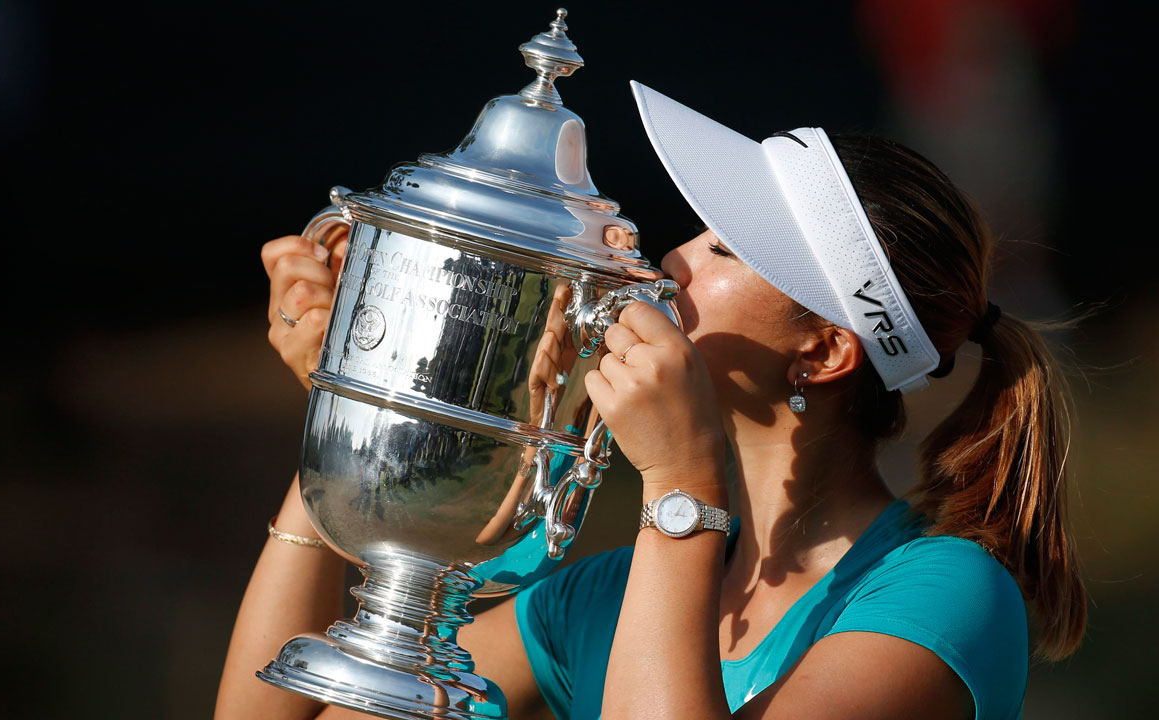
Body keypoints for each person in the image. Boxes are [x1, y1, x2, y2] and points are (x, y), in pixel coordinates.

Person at [216, 82, 1087, 720]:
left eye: (724, 251)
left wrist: (681, 484)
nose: (672, 262)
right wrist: (357, 415)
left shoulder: (945, 593)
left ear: (824, 352)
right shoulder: (598, 601)